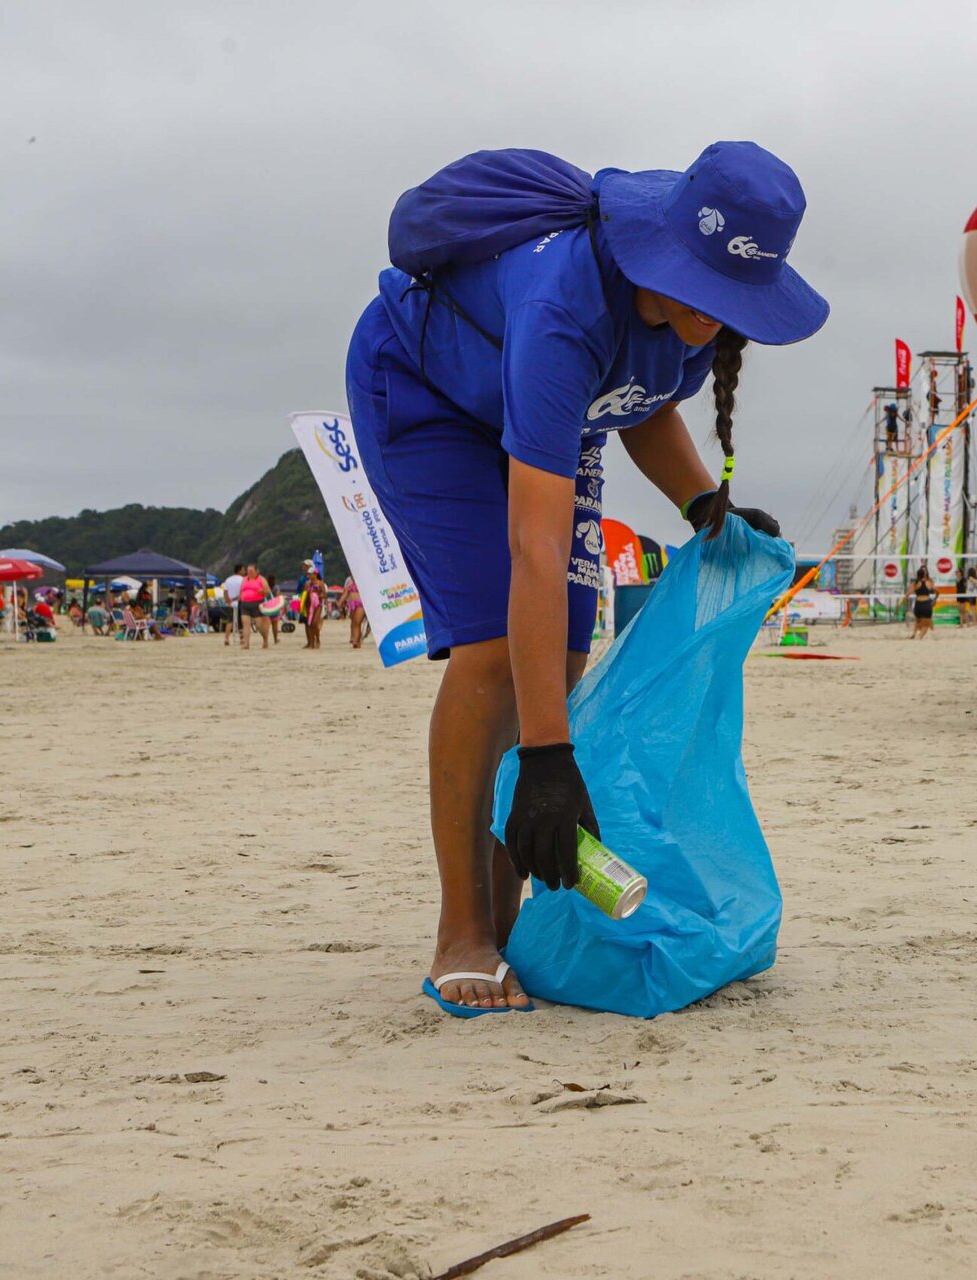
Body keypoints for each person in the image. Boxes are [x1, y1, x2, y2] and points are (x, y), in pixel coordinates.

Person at [345, 141, 824, 1015]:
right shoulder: (564, 306)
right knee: (495, 652)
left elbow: (640, 406)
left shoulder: (688, 324)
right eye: (709, 295)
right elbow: (534, 550)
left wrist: (703, 508)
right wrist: (549, 761)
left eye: (735, 303)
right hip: (425, 400)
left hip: (550, 416)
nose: (718, 318)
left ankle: (506, 914)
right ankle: (463, 930)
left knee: (558, 669)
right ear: (665, 259)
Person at [238, 563, 269, 649]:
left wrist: (262, 591)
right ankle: (246, 644)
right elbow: (241, 590)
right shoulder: (244, 579)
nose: (249, 572)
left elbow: (267, 591)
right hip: (245, 604)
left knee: (259, 626)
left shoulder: (261, 579)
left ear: (256, 571)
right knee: (245, 624)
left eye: (251, 571)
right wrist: (240, 597)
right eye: (248, 571)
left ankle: (265, 639)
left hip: (257, 604)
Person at [908, 566, 936, 638]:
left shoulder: (916, 582)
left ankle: (915, 633)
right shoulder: (928, 581)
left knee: (919, 620)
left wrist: (901, 603)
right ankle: (921, 635)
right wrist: (935, 600)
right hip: (925, 602)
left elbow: (908, 593)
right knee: (926, 622)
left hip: (918, 603)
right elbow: (937, 590)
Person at [220, 567, 244, 645]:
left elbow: (225, 591)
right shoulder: (242, 579)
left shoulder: (228, 579)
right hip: (239, 602)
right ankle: (242, 639)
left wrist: (227, 600)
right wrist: (235, 599)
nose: (244, 571)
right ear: (239, 570)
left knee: (230, 620)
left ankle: (226, 638)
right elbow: (242, 592)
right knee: (240, 621)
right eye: (243, 569)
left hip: (230, 604)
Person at [341, 575, 366, 649]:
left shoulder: (363, 585)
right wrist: (340, 602)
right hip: (352, 605)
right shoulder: (350, 585)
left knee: (357, 622)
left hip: (360, 604)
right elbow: (345, 594)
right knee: (354, 623)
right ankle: (356, 640)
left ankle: (356, 641)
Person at [301, 572, 325, 649]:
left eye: (311, 574)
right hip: (309, 605)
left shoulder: (320, 583)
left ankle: (317, 639)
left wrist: (318, 596)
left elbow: (324, 594)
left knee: (314, 623)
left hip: (318, 605)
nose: (309, 576)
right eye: (309, 574)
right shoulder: (307, 584)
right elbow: (304, 595)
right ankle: (312, 641)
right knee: (310, 624)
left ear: (315, 574)